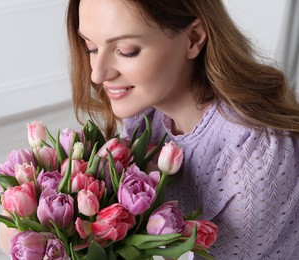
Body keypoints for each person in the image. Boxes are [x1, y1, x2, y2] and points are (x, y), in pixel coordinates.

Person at [66, 0, 299, 259]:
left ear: (193, 39)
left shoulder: (253, 156)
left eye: (126, 50)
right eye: (92, 47)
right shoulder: (146, 114)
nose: (97, 74)